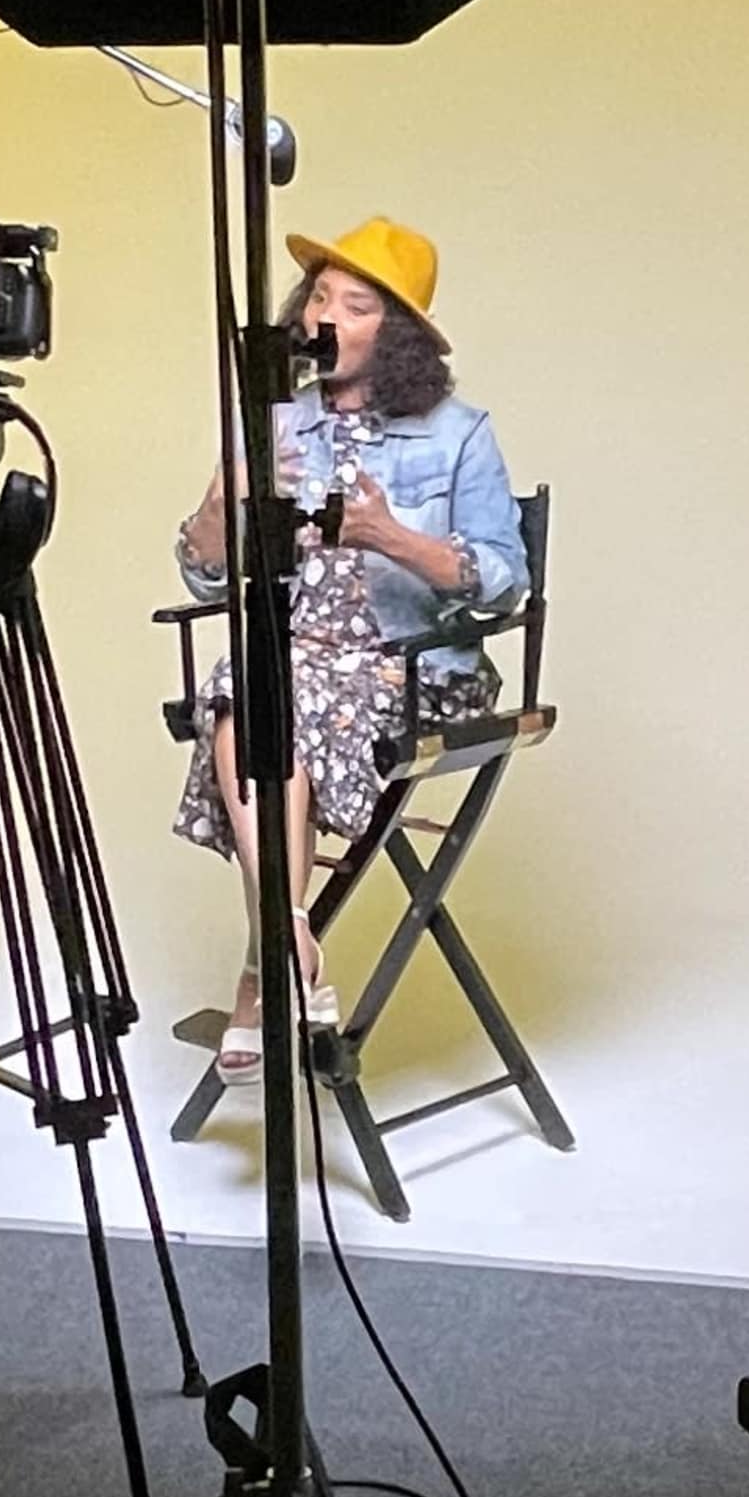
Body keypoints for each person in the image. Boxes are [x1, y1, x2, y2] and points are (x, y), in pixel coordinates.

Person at [173, 217, 526, 1081]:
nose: (328, 315)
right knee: (252, 683)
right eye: (320, 296)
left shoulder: (458, 433)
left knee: (264, 693)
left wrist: (390, 537)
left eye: (356, 304)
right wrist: (225, 503)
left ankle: (263, 983)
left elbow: (506, 581)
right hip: (296, 668)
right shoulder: (278, 421)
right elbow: (204, 575)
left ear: (394, 333)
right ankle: (290, 939)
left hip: (410, 678)